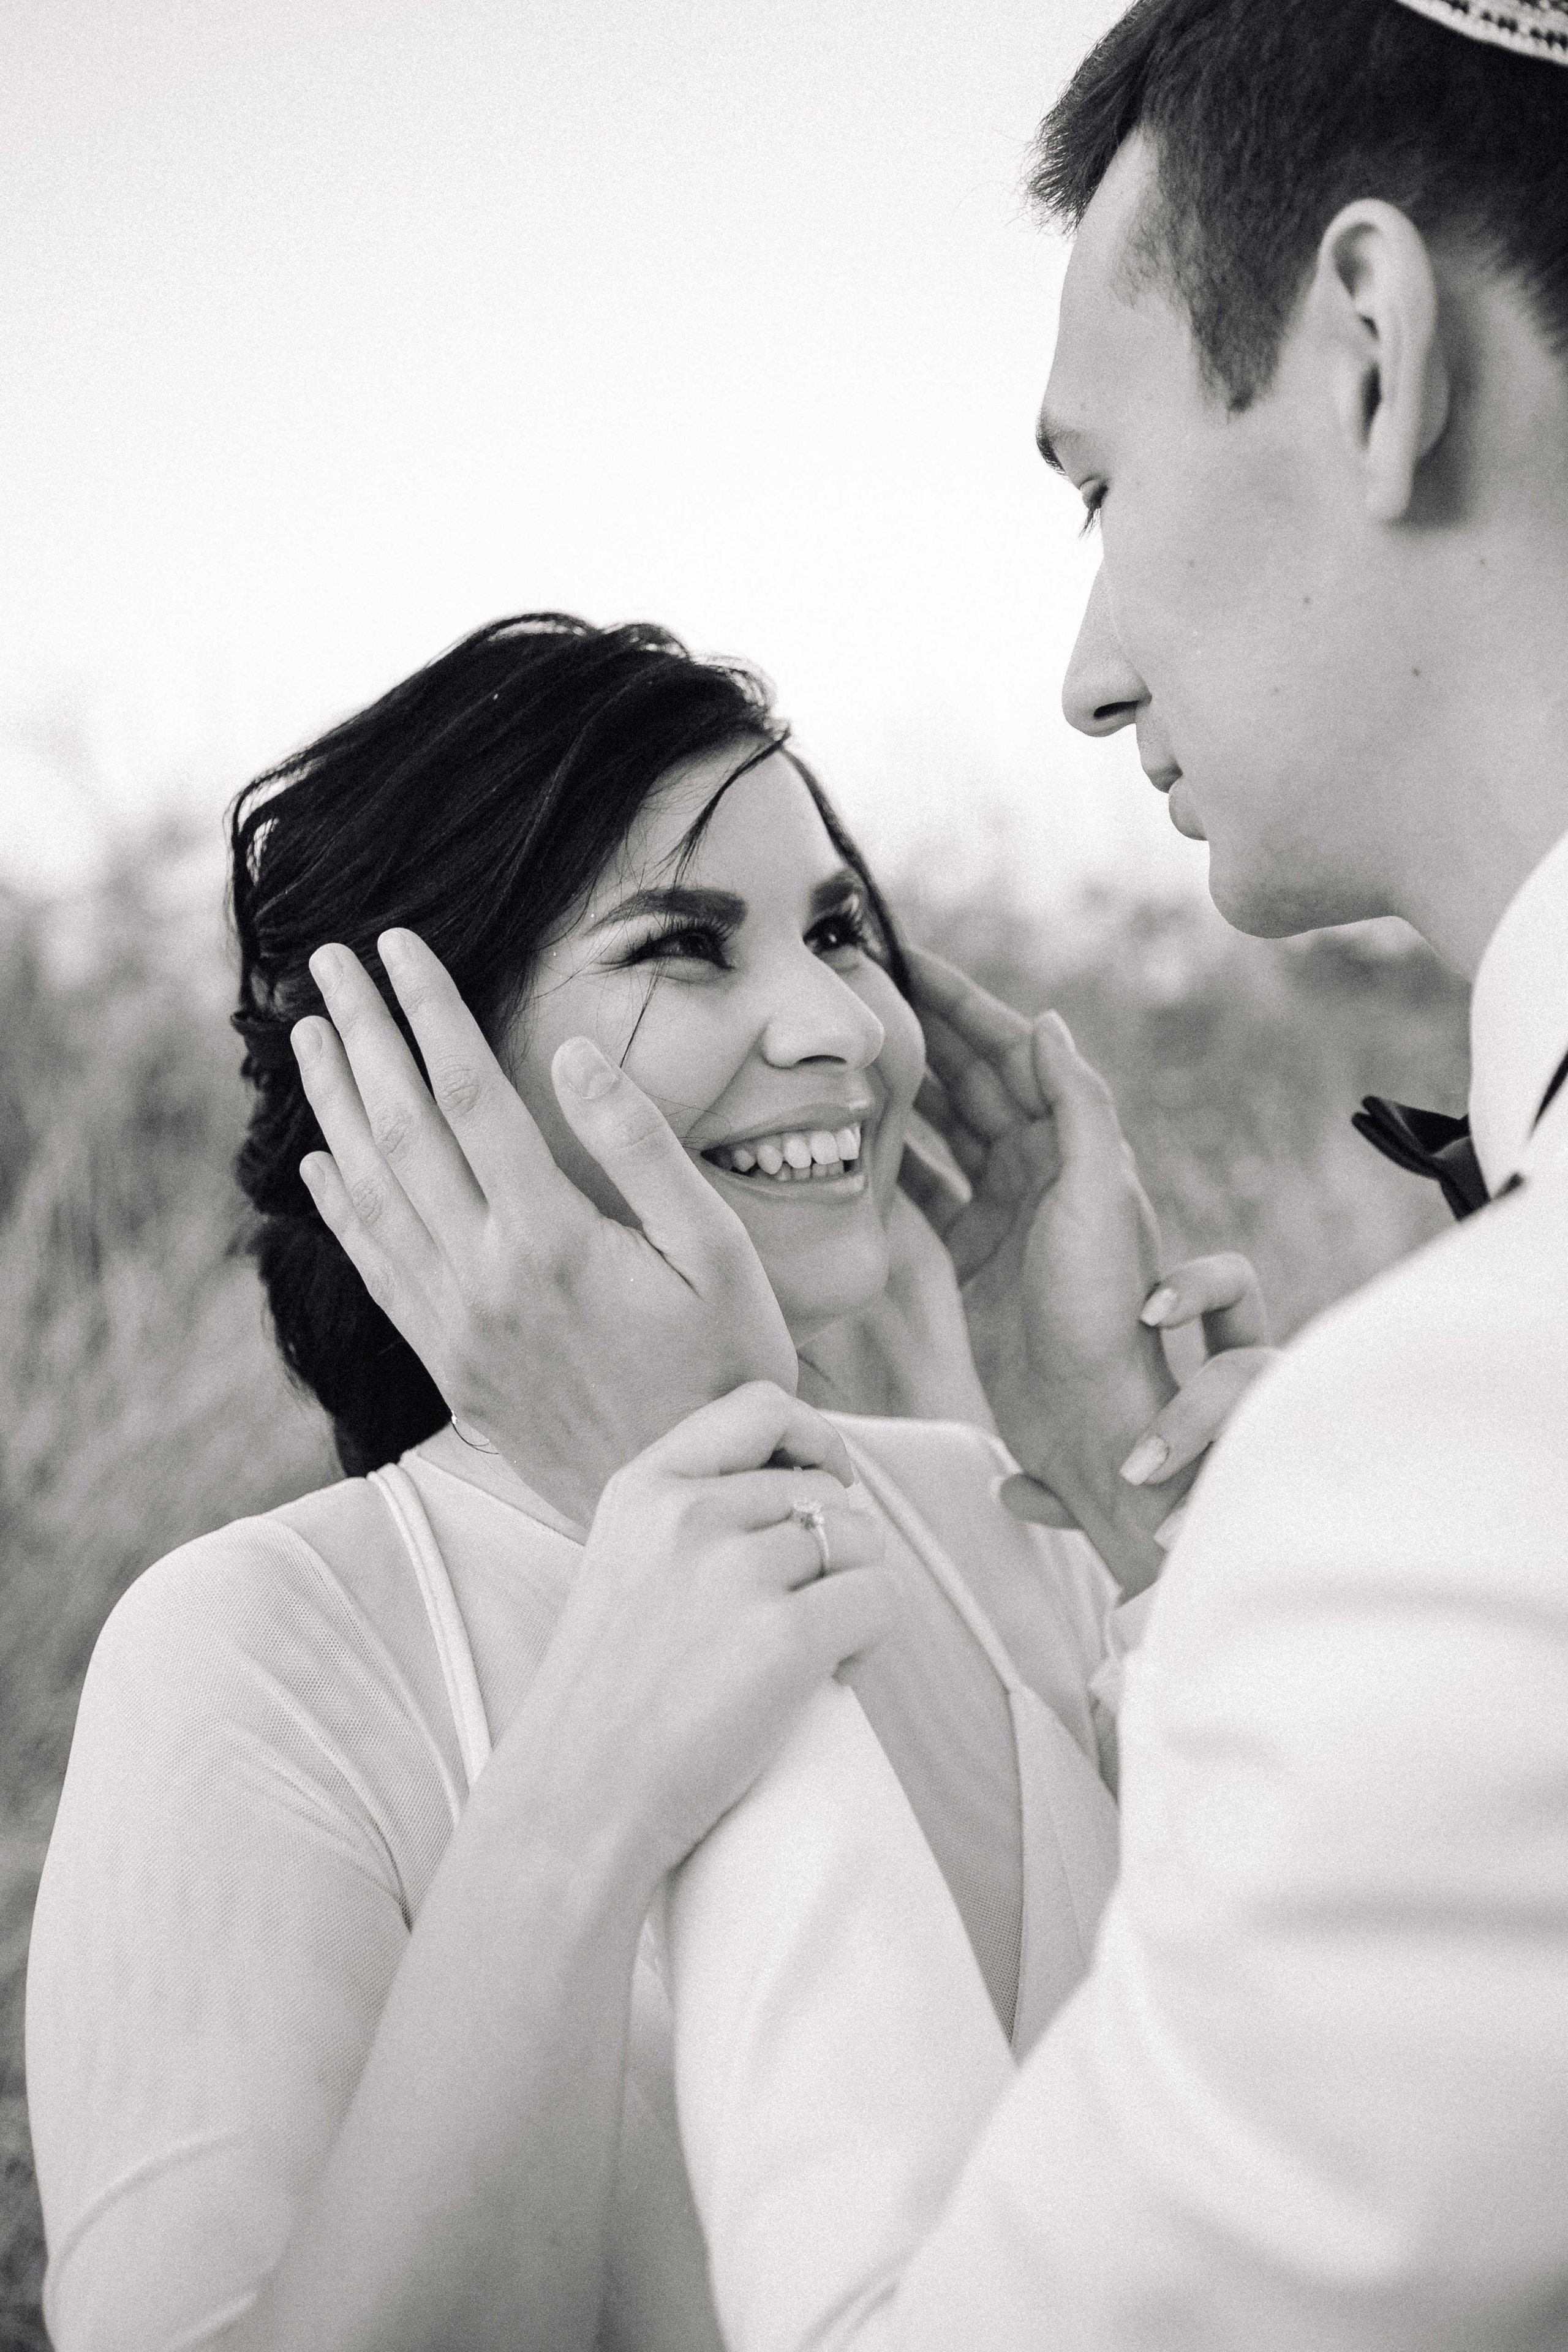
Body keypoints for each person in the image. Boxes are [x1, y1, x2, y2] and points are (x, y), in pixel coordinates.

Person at [264, 0, 1568, 2343]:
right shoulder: (259, 1645)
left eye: (1098, 481)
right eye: (684, 938)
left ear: (1372, 353)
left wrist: (694, 1499)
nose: (1083, 669)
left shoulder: (1443, 1467)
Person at [24, 614, 1263, 2352]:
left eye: (840, 931)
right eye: (686, 947)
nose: (837, 1019)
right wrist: (603, 1760)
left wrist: (1152, 1507)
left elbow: (1318, 2143)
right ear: (408, 1073)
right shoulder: (251, 1650)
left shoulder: (1001, 1520)